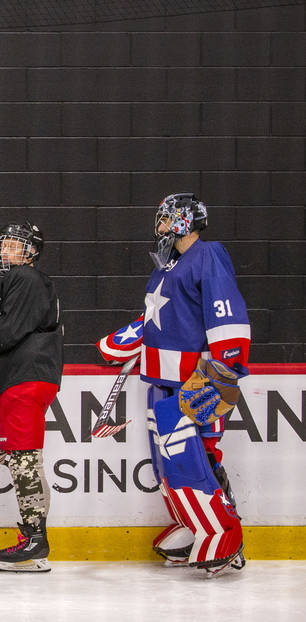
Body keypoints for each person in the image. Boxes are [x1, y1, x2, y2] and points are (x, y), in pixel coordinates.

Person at [98, 193, 250, 577]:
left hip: (194, 381)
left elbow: (227, 314)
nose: (160, 226)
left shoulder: (208, 255)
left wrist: (223, 371)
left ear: (184, 221)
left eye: (165, 220)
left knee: (196, 458)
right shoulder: (168, 265)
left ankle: (224, 533)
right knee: (170, 464)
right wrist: (124, 340)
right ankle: (194, 524)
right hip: (161, 382)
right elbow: (156, 317)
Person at [0, 221, 63, 572]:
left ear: (30, 250)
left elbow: (9, 331)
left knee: (23, 458)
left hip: (24, 381)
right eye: (5, 245)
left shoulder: (24, 279)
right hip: (26, 380)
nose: (5, 250)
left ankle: (35, 540)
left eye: (13, 245)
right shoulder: (32, 282)